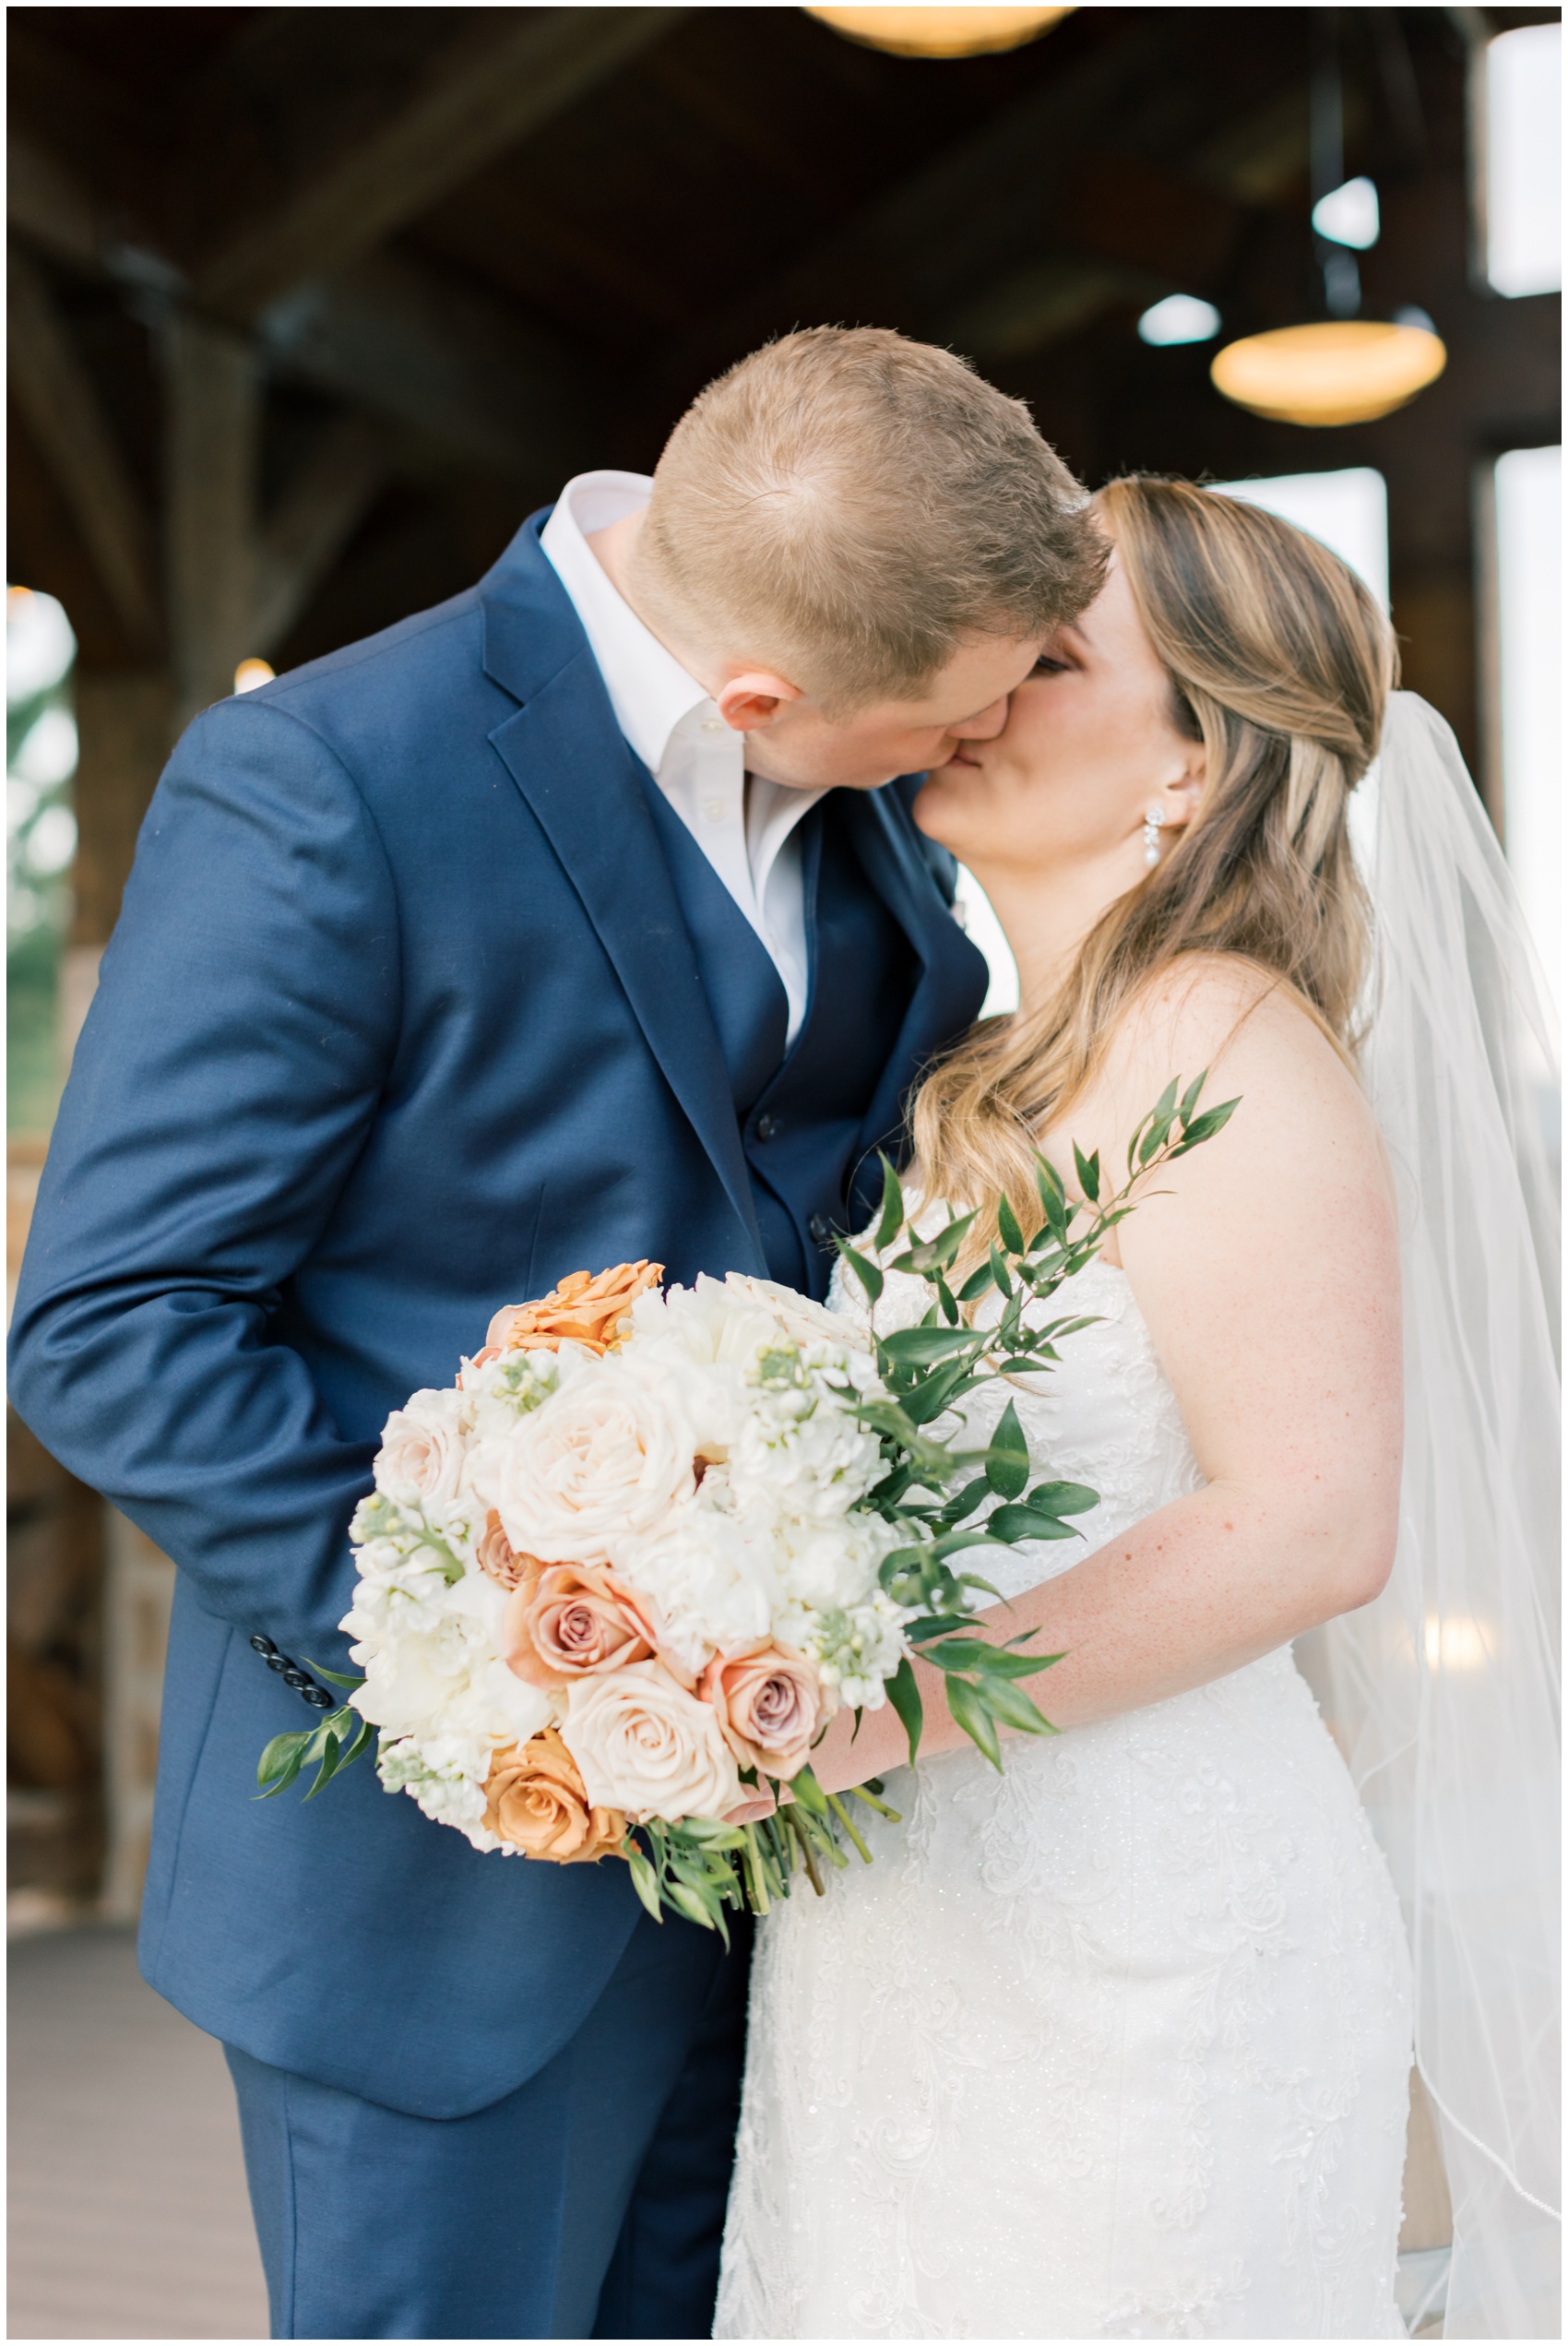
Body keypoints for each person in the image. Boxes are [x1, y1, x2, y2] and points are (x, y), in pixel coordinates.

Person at [6, 328, 1106, 2340]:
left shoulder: (868, 798)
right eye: (974, 700)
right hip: (440, 1895)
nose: (1006, 730)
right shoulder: (328, 780)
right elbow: (111, 1320)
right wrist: (489, 1667)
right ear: (765, 696)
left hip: (816, 1899)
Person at [716, 479, 1561, 2338]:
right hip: (908, 1919)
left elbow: (1311, 1521)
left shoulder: (1223, 1039)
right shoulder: (994, 1065)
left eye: (1052, 649)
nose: (985, 671)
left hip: (1141, 1934)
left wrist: (871, 1712)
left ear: (1189, 768)